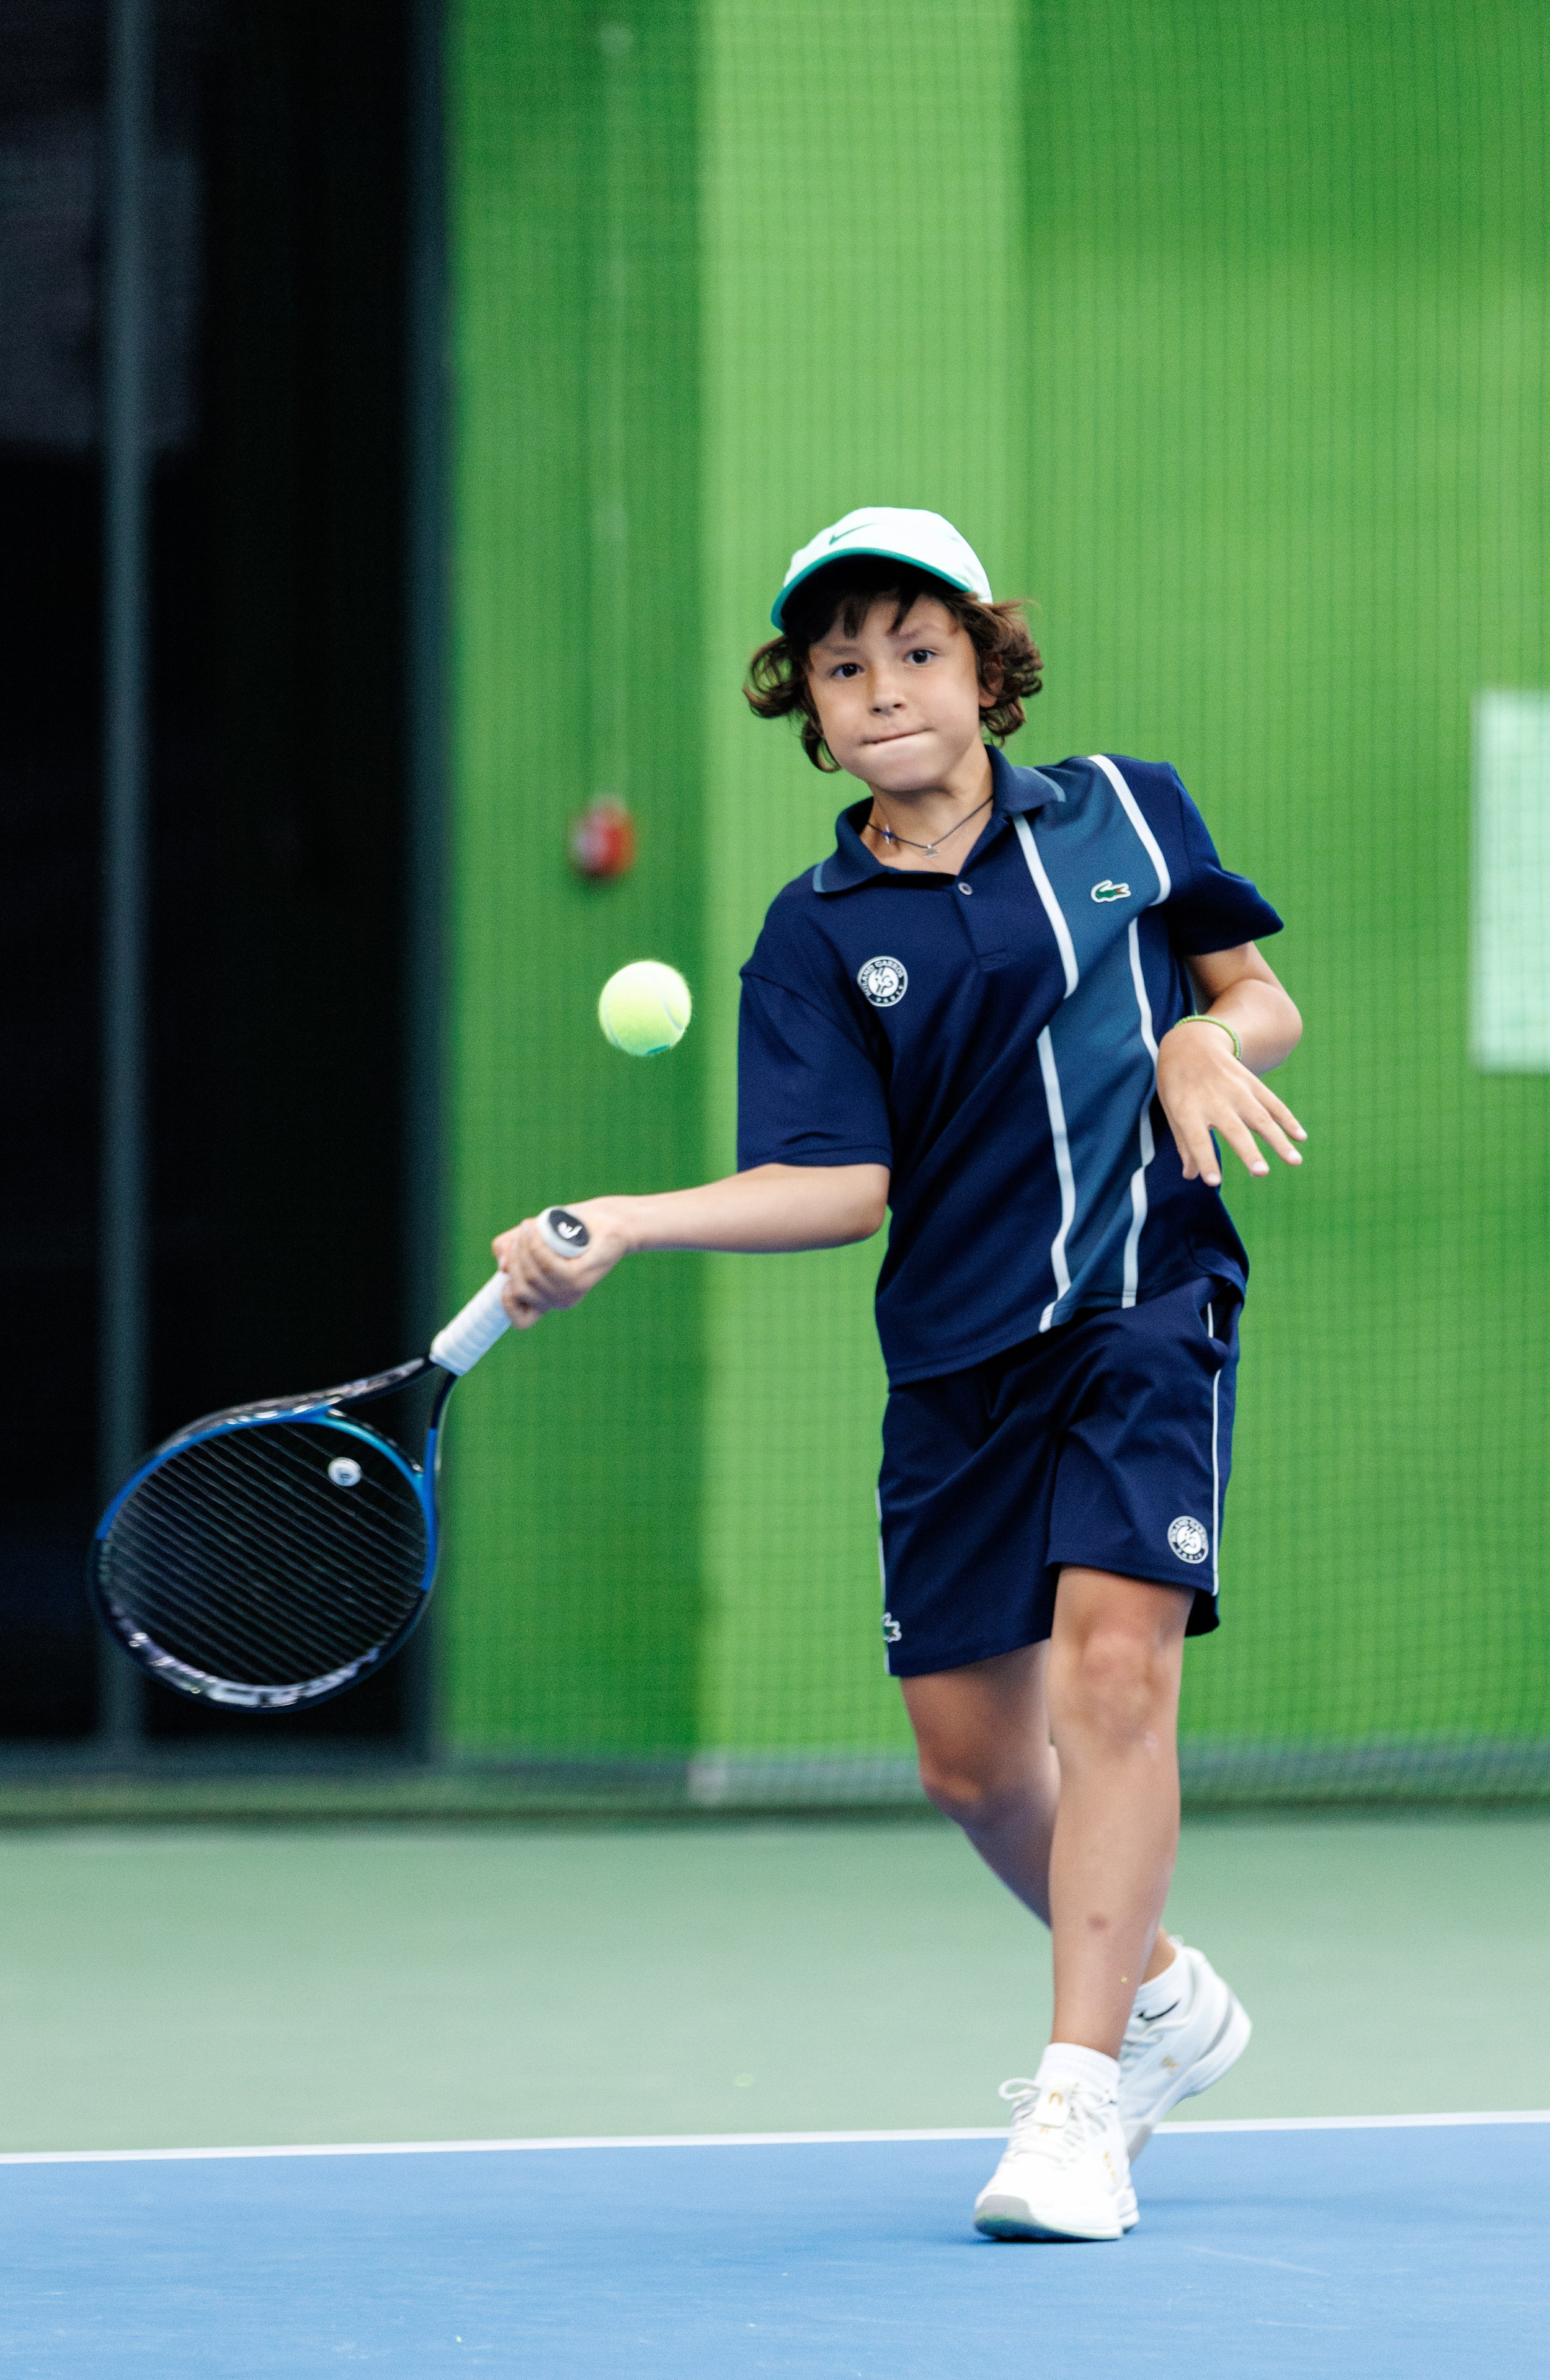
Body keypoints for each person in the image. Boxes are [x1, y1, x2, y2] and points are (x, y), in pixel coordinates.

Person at [493, 507, 1304, 2244]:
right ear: (810, 704)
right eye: (844, 666)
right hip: (953, 1361)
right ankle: (1162, 1996)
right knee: (971, 1768)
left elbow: (1262, 1003)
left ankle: (1080, 2102)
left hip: (1144, 1303)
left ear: (986, 668)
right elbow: (838, 1187)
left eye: (918, 652)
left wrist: (1199, 1035)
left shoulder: (1126, 810)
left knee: (1114, 1679)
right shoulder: (812, 932)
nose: (884, 689)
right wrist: (630, 1219)